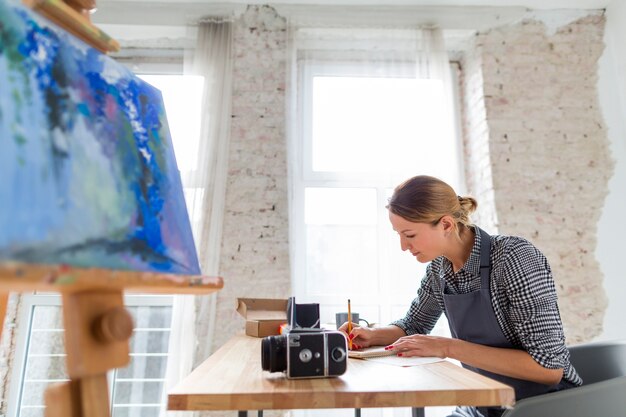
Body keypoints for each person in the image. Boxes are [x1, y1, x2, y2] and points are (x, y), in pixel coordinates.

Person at [339, 175, 581, 417]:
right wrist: (371, 335)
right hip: (484, 404)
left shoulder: (514, 258)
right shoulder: (438, 268)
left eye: (410, 235)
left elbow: (549, 368)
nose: (403, 246)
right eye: (399, 234)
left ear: (445, 225)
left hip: (543, 404)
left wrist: (447, 347)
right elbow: (414, 325)